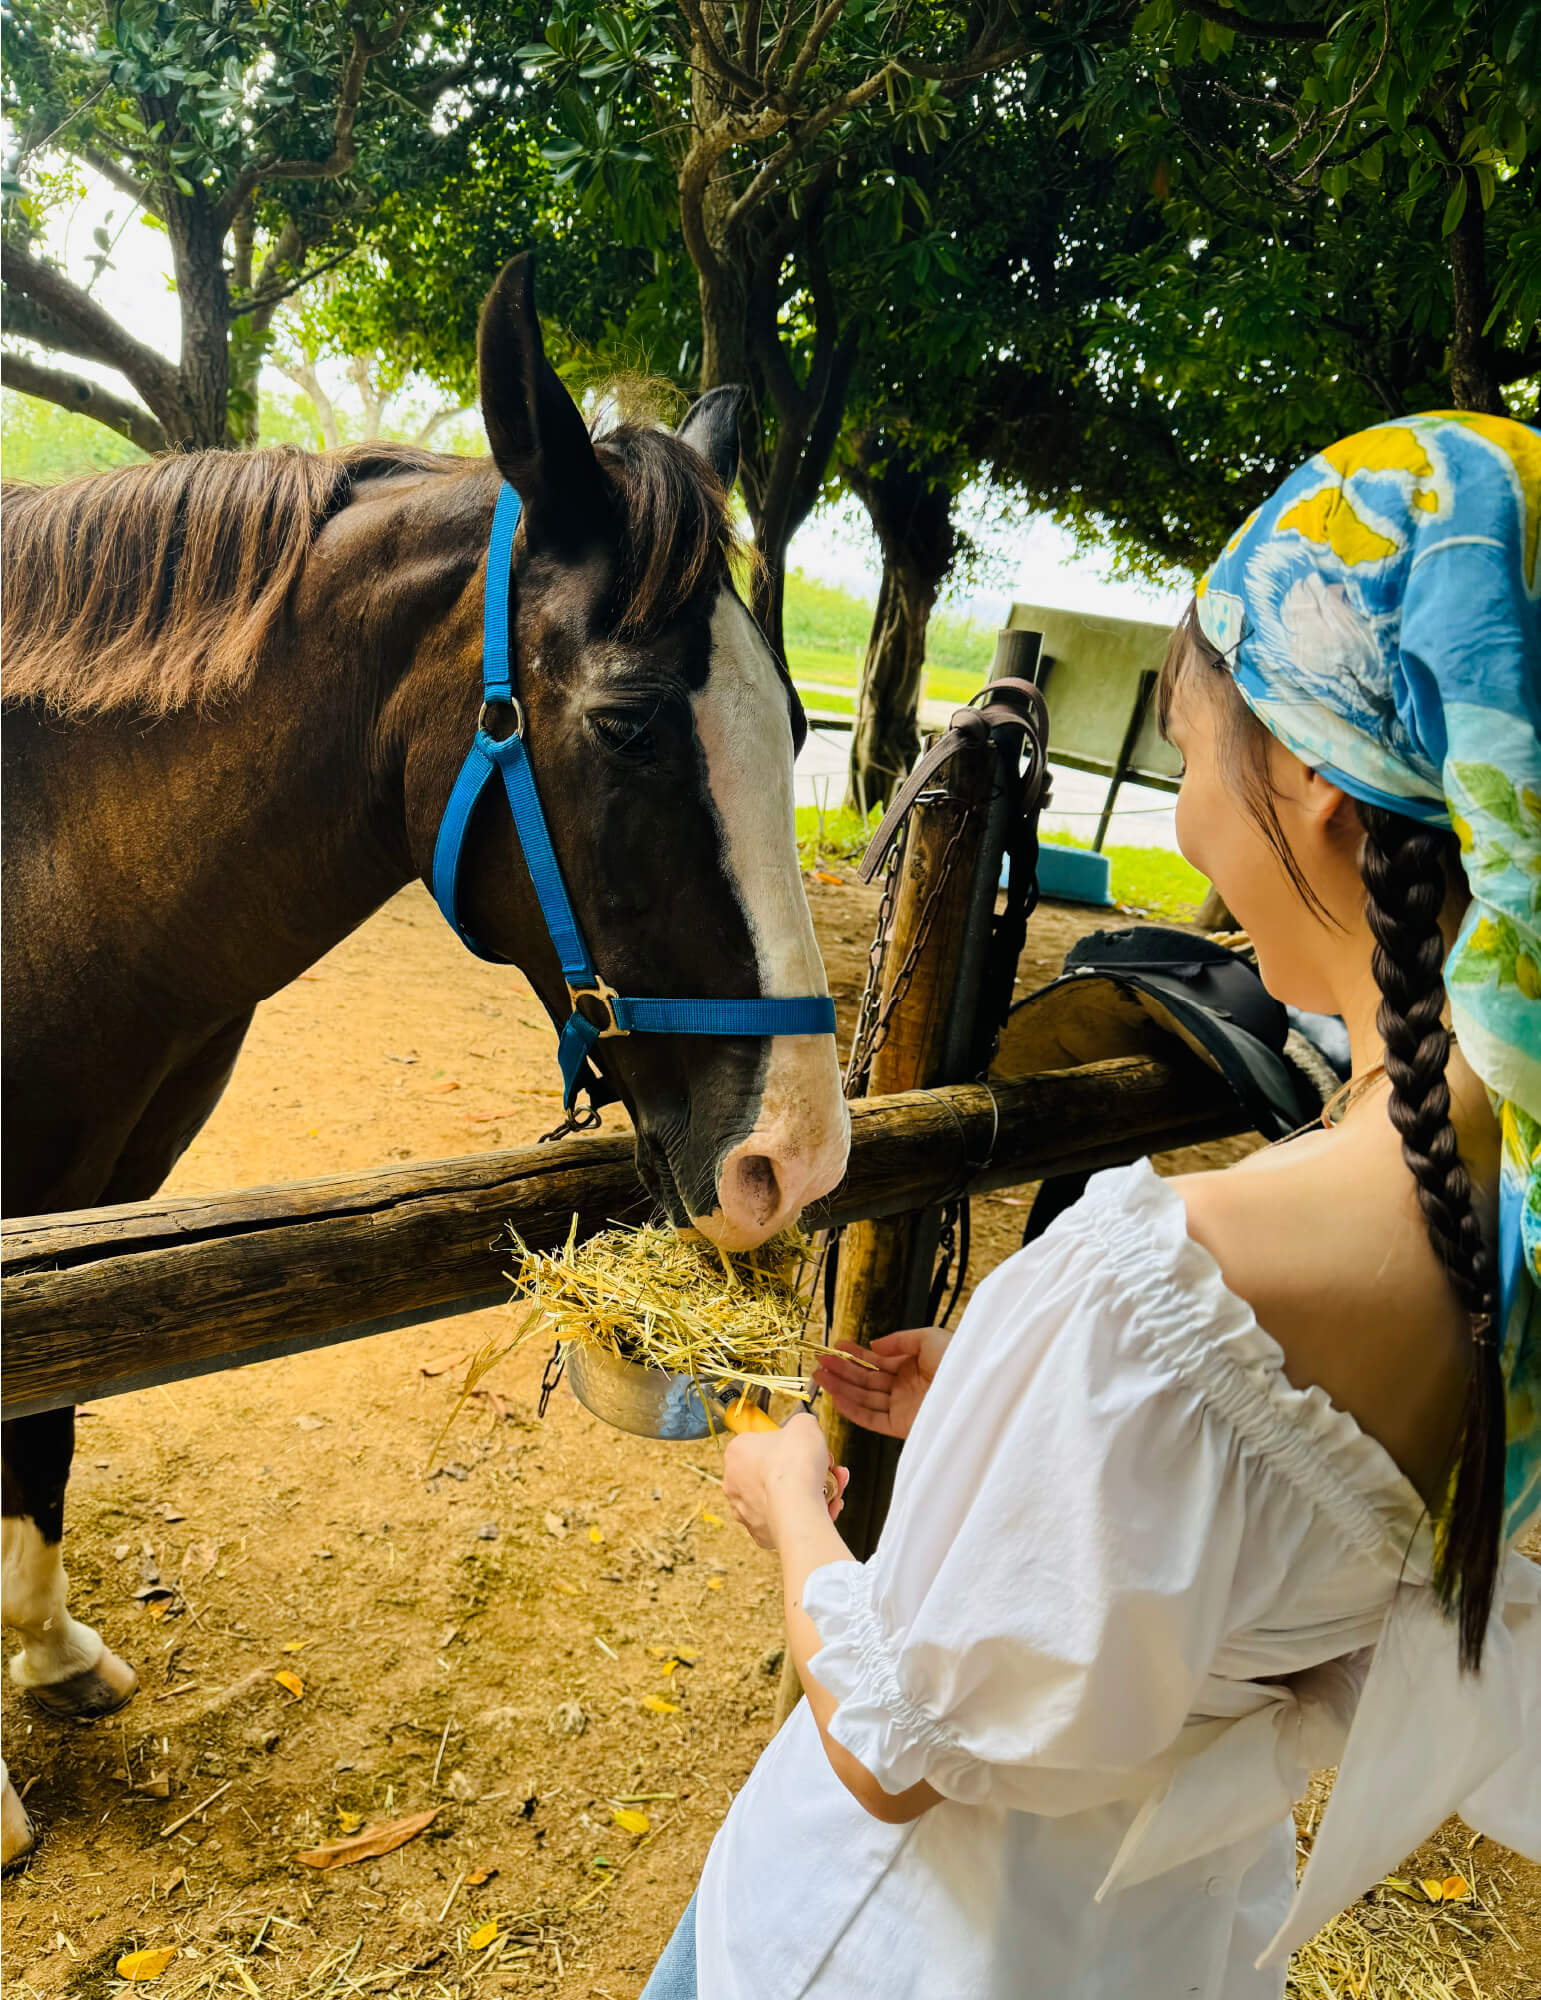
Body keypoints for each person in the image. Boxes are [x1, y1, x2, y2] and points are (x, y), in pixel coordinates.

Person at [640, 413, 1540, 2000]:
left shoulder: (1167, 1278)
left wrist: (789, 1495)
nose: (1190, 817)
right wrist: (1004, 1402)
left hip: (879, 1947)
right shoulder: (1506, 1225)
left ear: (1326, 796)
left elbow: (891, 1753)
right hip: (1158, 1949)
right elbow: (1277, 1575)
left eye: (1197, 756)